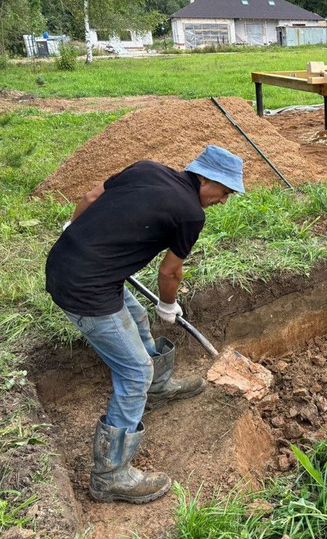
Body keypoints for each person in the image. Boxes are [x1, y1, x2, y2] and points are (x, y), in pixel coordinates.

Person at [45, 145, 244, 504]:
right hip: (85, 290)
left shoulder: (147, 168)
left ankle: (158, 386)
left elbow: (91, 196)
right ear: (206, 179)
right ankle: (110, 475)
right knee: (135, 371)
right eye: (225, 191)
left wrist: (75, 229)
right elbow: (170, 271)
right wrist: (168, 304)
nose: (224, 201)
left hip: (70, 262)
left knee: (136, 316)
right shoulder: (190, 215)